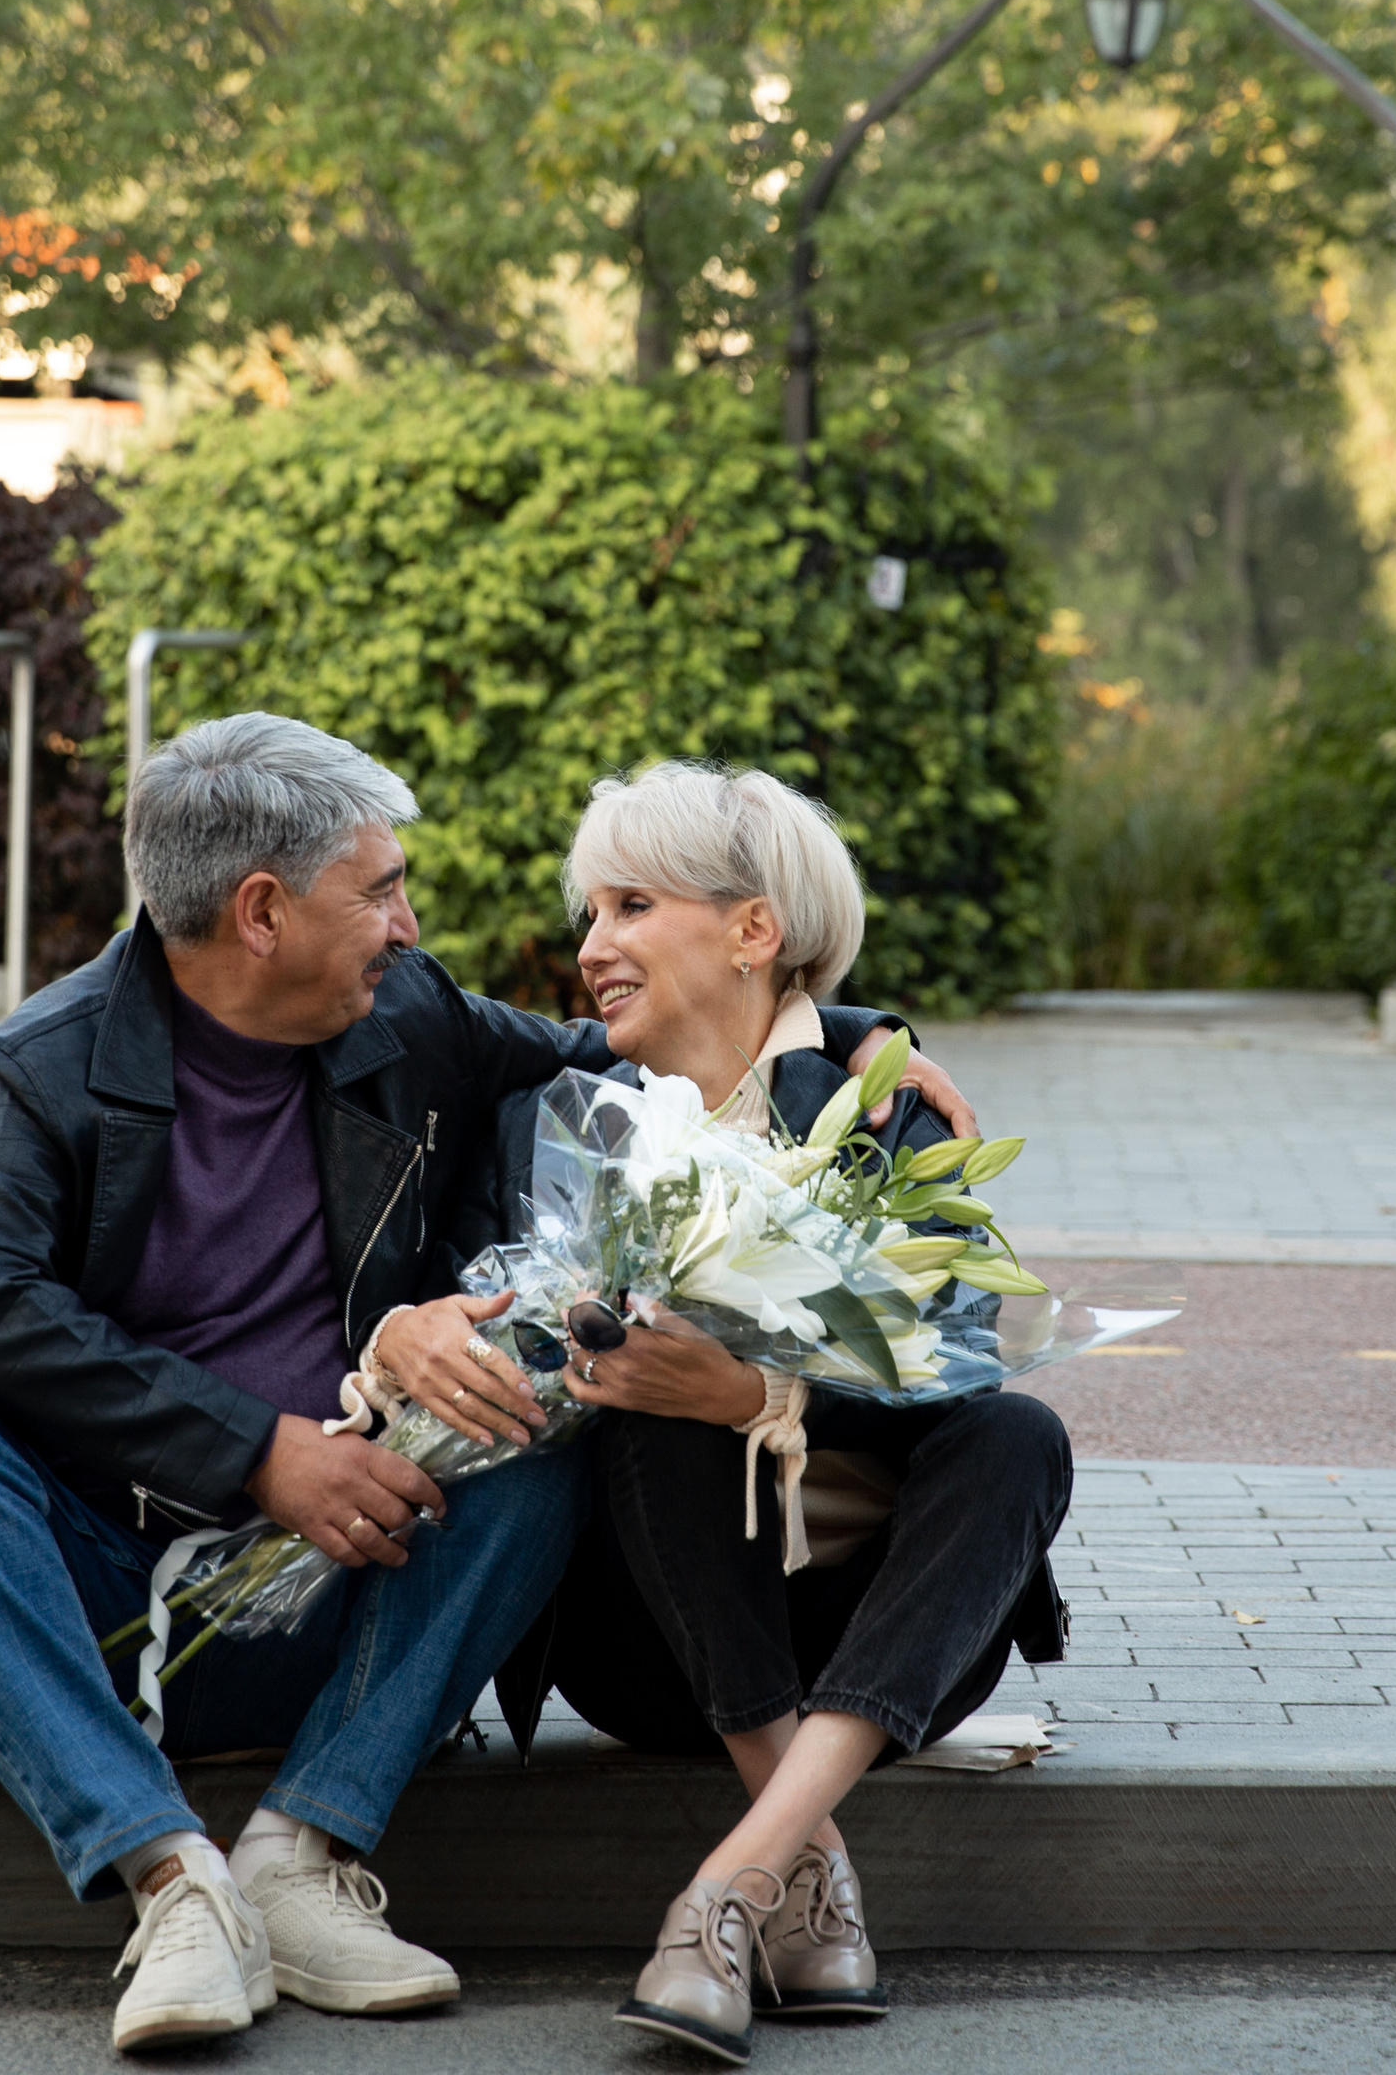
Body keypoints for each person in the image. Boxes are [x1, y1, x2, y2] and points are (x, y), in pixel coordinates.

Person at [0, 713, 974, 2056]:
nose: (409, 927)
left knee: (539, 1413)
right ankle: (173, 1883)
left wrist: (854, 1040)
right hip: (76, 1619)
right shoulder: (42, 1068)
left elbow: (627, 1037)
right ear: (262, 912)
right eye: (380, 892)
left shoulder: (403, 1016)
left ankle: (297, 1859)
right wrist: (260, 1452)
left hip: (351, 1600)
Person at [475, 761, 1073, 2067]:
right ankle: (795, 1865)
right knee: (644, 1385)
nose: (592, 946)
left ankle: (732, 1885)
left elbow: (956, 1354)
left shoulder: (883, 1114)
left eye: (632, 906)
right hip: (654, 1645)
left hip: (883, 1639)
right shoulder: (552, 1119)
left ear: (754, 929)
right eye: (590, 913)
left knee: (1018, 1436)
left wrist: (764, 1391)